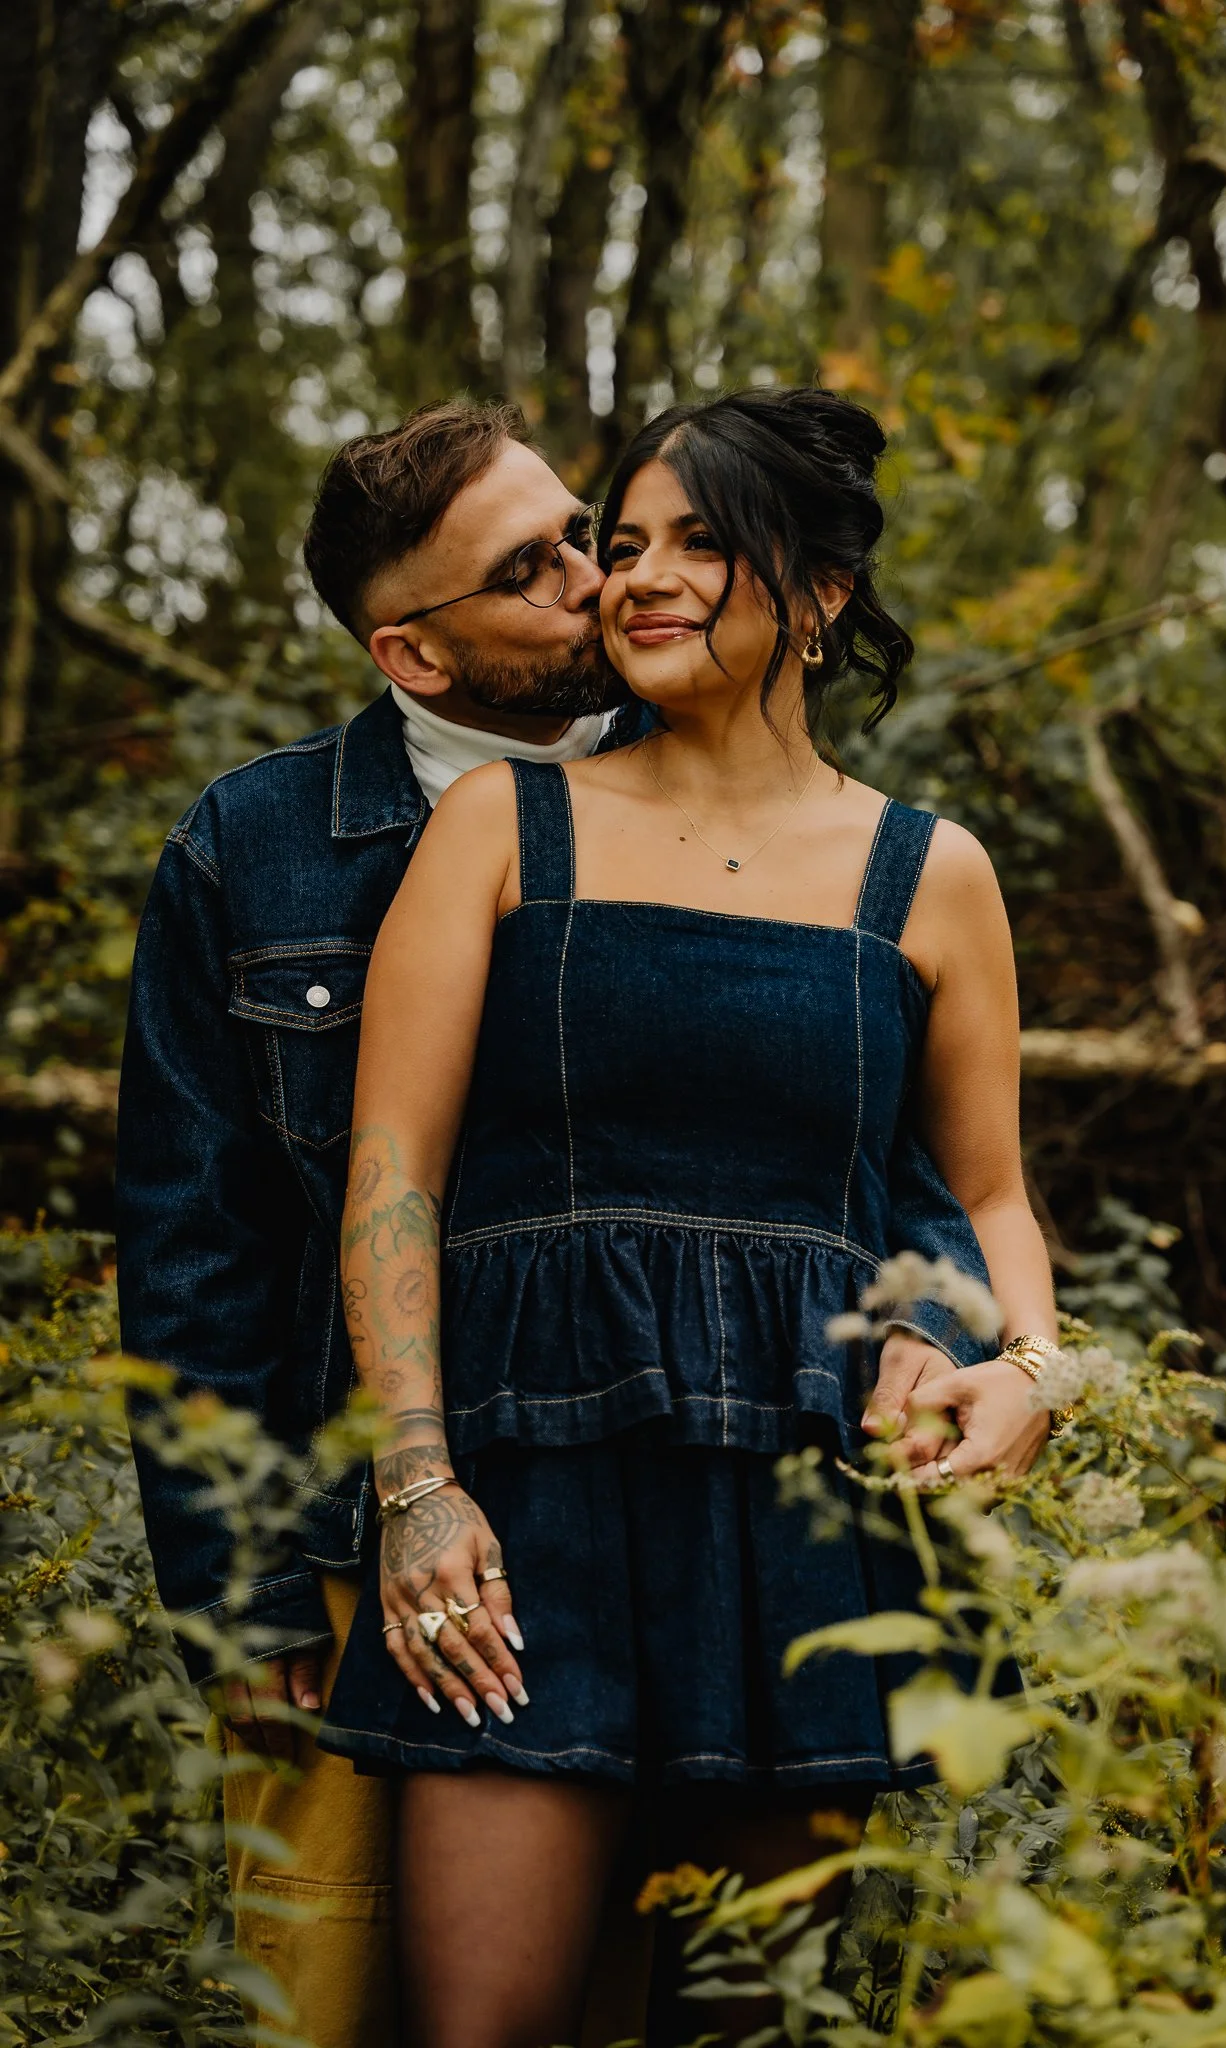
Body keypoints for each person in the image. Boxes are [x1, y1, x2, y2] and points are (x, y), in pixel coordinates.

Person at [318, 386, 1062, 2047]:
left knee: (753, 2029)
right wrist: (418, 1487)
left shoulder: (929, 873)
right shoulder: (499, 826)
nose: (634, 579)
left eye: (699, 546)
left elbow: (990, 1192)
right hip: (524, 1521)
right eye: (624, 541)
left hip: (799, 1527)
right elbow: (394, 1175)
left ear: (816, 597)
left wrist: (1028, 1364)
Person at [115, 397, 641, 2048]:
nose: (595, 575)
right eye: (531, 566)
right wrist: (241, 1590)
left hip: (638, 1517)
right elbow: (192, 1243)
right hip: (347, 1549)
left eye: (584, 526)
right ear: (412, 656)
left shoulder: (729, 806)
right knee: (320, 1993)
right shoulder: (251, 850)